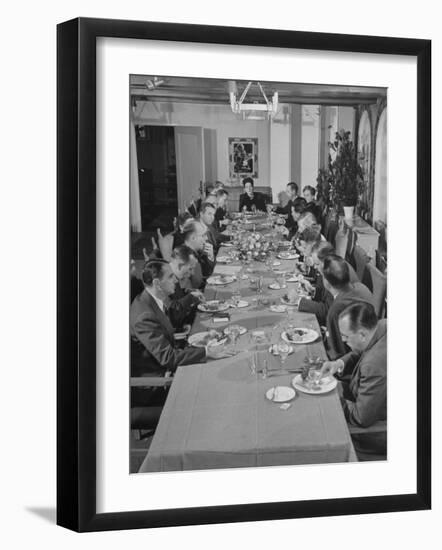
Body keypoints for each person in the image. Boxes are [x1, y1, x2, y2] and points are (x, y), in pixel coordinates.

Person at [130, 260, 234, 429]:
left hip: (166, 369)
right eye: (171, 277)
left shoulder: (151, 299)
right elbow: (168, 358)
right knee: (215, 386)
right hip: (153, 388)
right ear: (157, 283)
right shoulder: (144, 315)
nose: (176, 281)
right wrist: (206, 351)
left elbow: (169, 317)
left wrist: (204, 340)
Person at [320, 302, 387, 458]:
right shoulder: (381, 326)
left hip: (373, 435)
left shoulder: (374, 365)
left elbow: (360, 418)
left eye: (345, 336)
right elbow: (362, 350)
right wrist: (339, 363)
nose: (342, 341)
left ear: (362, 334)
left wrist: (334, 395)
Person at [322, 255, 374, 360]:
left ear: (327, 282)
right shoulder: (362, 287)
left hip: (349, 365)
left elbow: (336, 353)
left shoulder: (336, 310)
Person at [298, 241, 359, 326]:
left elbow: (328, 310)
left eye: (317, 264)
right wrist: (313, 291)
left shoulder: (335, 274)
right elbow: (326, 297)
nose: (315, 267)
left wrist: (298, 301)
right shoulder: (334, 265)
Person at [166, 245, 204, 328]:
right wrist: (190, 297)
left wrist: (187, 291)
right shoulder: (164, 279)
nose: (193, 273)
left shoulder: (172, 273)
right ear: (180, 266)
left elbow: (176, 296)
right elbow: (172, 312)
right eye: (190, 269)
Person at [182, 219, 215, 288]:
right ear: (193, 238)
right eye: (203, 235)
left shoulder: (197, 251)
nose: (206, 238)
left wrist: (210, 256)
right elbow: (198, 284)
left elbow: (206, 272)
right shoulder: (186, 257)